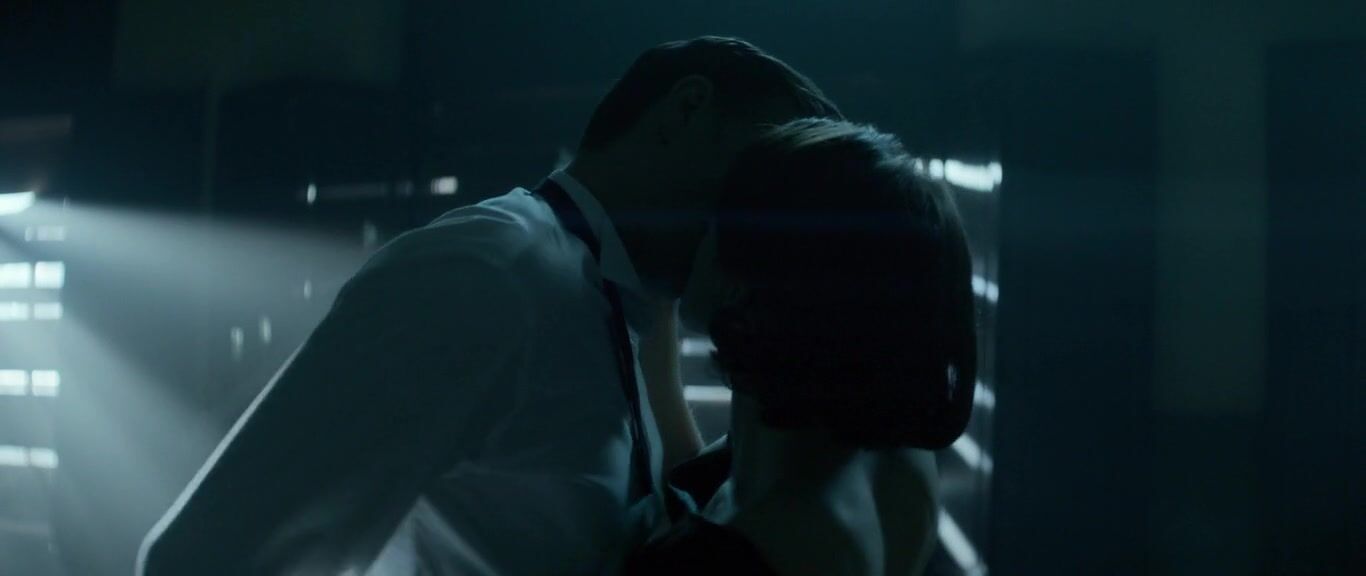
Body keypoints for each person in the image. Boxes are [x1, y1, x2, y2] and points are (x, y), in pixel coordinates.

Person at [136, 37, 840, 576]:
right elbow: (205, 560)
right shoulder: (487, 273)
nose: (765, 223)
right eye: (761, 178)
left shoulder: (624, 306)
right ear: (685, 111)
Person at [628, 118, 978, 576]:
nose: (689, 234)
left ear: (751, 276)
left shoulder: (725, 554)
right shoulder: (893, 462)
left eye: (712, 220)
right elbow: (706, 482)